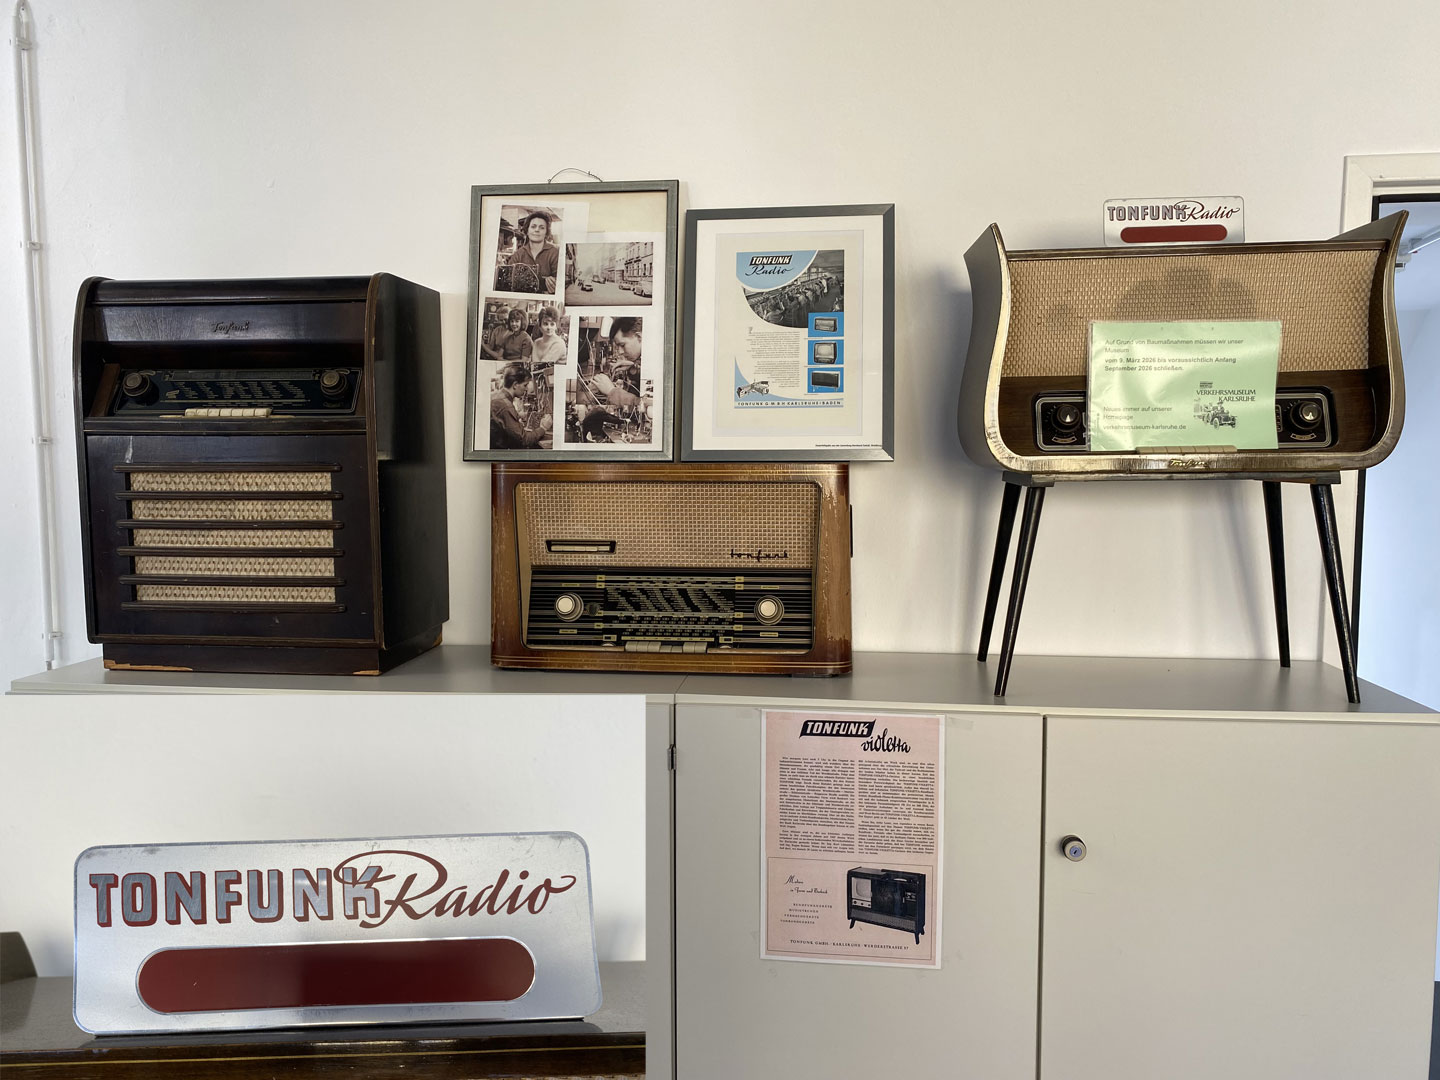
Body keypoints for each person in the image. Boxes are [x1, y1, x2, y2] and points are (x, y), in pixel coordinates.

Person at [490, 365, 551, 449]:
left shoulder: (496, 395)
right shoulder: (506, 406)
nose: (526, 389)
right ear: (515, 385)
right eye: (525, 385)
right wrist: (543, 428)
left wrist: (517, 415)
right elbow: (524, 440)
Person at [508, 210, 559, 294]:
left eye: (542, 227)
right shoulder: (518, 254)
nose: (537, 230)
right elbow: (508, 279)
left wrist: (555, 284)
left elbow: (561, 282)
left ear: (546, 232)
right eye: (533, 226)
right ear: (527, 230)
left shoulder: (555, 253)